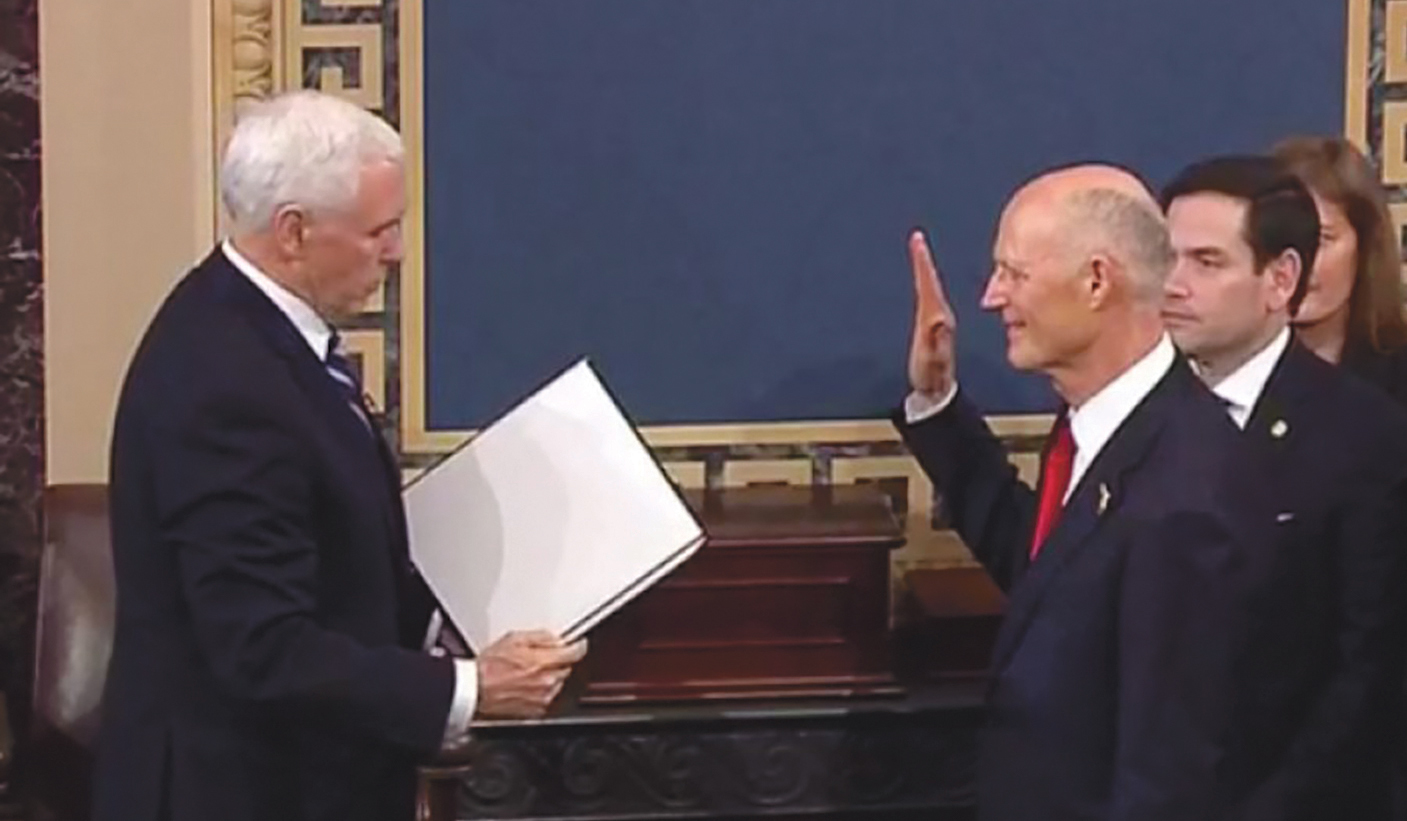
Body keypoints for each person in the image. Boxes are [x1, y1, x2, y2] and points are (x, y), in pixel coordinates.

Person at [92, 90, 586, 821]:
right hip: (239, 789)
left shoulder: (260, 332)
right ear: (293, 232)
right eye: (379, 230)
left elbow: (327, 549)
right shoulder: (222, 381)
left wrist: (444, 611)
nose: (398, 251)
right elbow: (261, 646)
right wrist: (471, 686)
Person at [894, 164, 1274, 819]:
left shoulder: (1187, 492)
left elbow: (1166, 776)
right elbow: (1049, 574)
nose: (990, 296)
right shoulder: (1097, 429)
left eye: (1014, 272)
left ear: (1096, 280)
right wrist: (937, 401)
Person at [1160, 154, 1407, 820]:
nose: (1174, 284)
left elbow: (1367, 661)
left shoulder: (1367, 430)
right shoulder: (1152, 413)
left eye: (1205, 262)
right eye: (1168, 258)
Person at [1272, 136, 1407, 404]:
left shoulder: (1398, 376)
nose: (1300, 263)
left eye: (1321, 239)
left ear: (1366, 245)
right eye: (1283, 238)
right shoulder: (1212, 375)